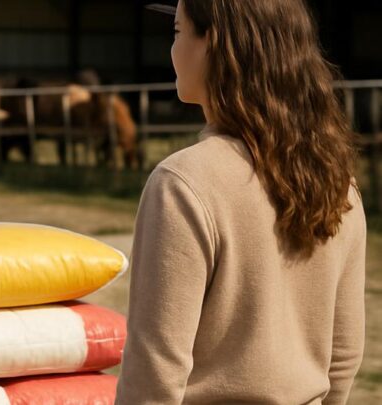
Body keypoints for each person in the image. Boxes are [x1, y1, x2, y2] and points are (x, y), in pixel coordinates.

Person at [117, 1, 365, 404]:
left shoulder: (183, 183)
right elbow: (344, 354)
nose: (172, 49)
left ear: (212, 42)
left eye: (178, 32)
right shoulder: (340, 184)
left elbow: (154, 372)